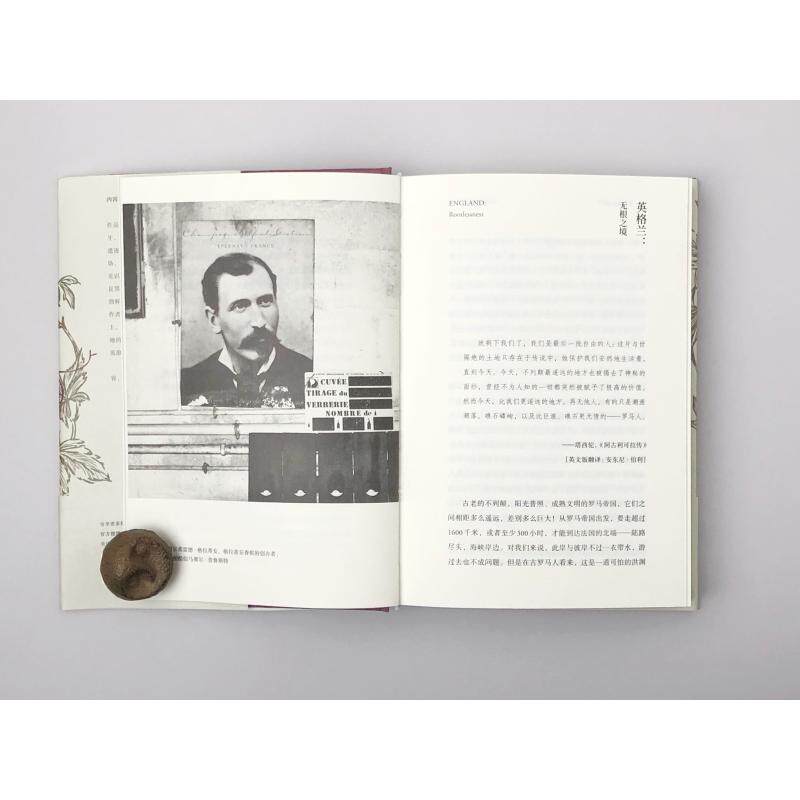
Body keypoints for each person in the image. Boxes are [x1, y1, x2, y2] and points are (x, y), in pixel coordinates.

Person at [180, 253, 312, 408]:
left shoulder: (310, 375)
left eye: (265, 301)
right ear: (214, 320)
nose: (259, 322)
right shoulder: (187, 384)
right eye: (240, 306)